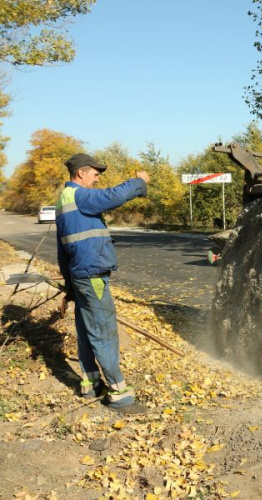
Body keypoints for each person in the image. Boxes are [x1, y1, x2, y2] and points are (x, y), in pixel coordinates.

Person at [56, 153, 151, 414]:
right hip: (92, 275)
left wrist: (69, 283)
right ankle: (119, 394)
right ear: (81, 174)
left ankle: (91, 383)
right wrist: (138, 183)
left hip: (79, 275)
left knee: (87, 330)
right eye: (95, 174)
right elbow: (112, 196)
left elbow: (61, 248)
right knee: (104, 330)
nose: (97, 179)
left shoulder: (64, 200)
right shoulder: (79, 195)